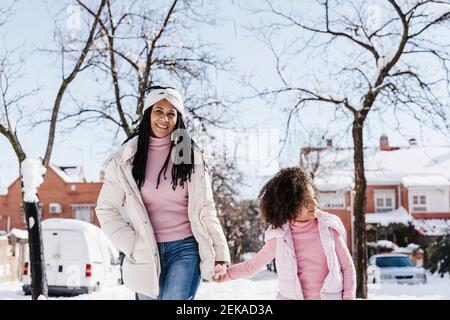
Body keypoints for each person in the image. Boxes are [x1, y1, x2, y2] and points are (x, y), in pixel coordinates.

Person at [96, 86, 230, 300]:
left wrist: (220, 254)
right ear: (148, 113)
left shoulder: (190, 156)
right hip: (145, 251)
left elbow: (206, 207)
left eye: (171, 113)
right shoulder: (125, 160)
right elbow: (106, 209)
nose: (164, 118)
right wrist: (131, 244)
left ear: (178, 119)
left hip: (185, 249)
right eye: (159, 111)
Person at [214, 166, 356, 300]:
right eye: (306, 201)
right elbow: (252, 266)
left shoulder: (328, 228)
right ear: (290, 205)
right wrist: (224, 275)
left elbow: (348, 267)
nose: (314, 204)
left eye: (313, 197)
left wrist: (348, 298)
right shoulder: (279, 237)